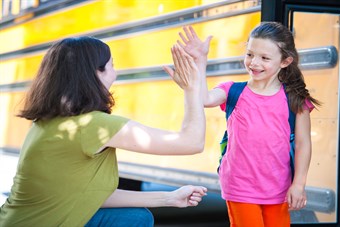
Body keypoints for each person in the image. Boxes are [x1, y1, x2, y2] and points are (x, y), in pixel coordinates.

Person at [0, 36, 208, 227]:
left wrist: (169, 198)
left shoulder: (49, 122)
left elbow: (87, 195)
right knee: (135, 220)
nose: (115, 74)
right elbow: (191, 142)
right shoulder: (94, 126)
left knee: (135, 217)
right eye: (112, 66)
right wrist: (192, 88)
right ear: (95, 73)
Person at [169, 22, 321, 226]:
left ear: (285, 61)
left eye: (265, 58)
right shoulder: (233, 91)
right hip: (240, 187)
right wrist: (200, 59)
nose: (254, 63)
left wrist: (299, 184)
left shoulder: (295, 99)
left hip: (279, 187)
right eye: (250, 54)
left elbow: (303, 144)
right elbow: (204, 99)